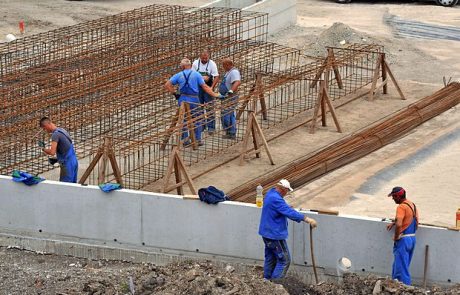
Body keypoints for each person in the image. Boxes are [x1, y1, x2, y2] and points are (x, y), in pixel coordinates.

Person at [258, 179, 317, 280]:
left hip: (267, 233)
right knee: (284, 261)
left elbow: (280, 207)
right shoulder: (276, 199)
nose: (287, 193)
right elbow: (289, 212)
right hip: (274, 235)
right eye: (286, 191)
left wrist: (285, 207)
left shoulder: (271, 193)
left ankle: (266, 281)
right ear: (282, 189)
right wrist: (306, 219)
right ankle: (275, 285)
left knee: (270, 258)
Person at [165, 58, 221, 146]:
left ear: (182, 66)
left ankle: (185, 140)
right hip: (194, 99)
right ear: (190, 66)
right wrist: (215, 95)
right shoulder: (196, 75)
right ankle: (197, 139)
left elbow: (167, 84)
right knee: (197, 118)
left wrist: (175, 94)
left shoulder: (178, 75)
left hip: (183, 99)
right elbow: (205, 87)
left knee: (183, 119)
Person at [386, 186, 419, 285]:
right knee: (403, 267)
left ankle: (404, 289)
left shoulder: (401, 207)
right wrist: (394, 222)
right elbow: (411, 221)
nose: (393, 198)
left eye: (394, 196)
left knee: (400, 271)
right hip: (412, 239)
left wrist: (396, 237)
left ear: (399, 196)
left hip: (403, 240)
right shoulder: (412, 205)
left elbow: (400, 224)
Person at [39, 117, 79, 183]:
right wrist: (57, 159)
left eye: (44, 128)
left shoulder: (55, 135)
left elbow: (52, 152)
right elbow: (65, 148)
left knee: (65, 187)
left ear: (47, 125)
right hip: (74, 162)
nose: (45, 130)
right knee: (73, 186)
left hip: (67, 165)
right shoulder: (62, 130)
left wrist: (43, 149)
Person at [192, 50, 219, 135]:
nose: (204, 59)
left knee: (209, 108)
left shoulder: (212, 64)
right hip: (198, 88)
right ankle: (202, 126)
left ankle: (211, 128)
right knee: (199, 108)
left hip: (208, 88)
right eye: (203, 58)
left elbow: (216, 76)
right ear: (200, 57)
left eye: (206, 58)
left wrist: (212, 87)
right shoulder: (195, 63)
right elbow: (192, 75)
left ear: (208, 57)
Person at [219, 58, 241, 140]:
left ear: (228, 65)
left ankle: (231, 132)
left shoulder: (234, 72)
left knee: (226, 114)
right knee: (229, 114)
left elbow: (237, 82)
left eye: (223, 65)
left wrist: (231, 90)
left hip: (230, 97)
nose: (223, 67)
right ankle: (230, 133)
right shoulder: (229, 72)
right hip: (226, 96)